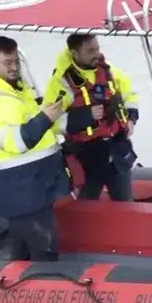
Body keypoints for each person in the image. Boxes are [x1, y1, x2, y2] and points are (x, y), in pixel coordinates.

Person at [0, 37, 71, 261]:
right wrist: (45, 118)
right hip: (21, 191)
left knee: (25, 248)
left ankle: (15, 288)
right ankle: (45, 288)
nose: (14, 67)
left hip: (34, 187)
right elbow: (16, 142)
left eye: (16, 61)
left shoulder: (16, 90)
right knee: (43, 249)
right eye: (8, 62)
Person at [44, 34, 139, 201]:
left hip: (116, 152)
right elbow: (50, 121)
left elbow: (130, 95)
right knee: (86, 208)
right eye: (90, 51)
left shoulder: (109, 71)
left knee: (125, 204)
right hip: (86, 157)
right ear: (74, 53)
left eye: (97, 48)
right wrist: (85, 116)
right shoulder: (61, 84)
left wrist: (131, 119)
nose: (96, 54)